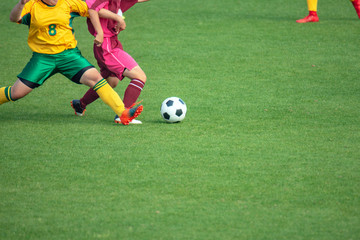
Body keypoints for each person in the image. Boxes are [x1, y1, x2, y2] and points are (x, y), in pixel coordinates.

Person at [0, 0, 142, 125]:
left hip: (69, 56)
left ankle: (122, 113)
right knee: (16, 93)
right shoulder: (32, 5)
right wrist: (21, 3)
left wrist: (116, 17)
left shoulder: (68, 2)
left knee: (96, 79)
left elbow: (94, 9)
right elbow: (14, 18)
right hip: (43, 59)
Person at [70, 0, 149, 124]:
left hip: (112, 43)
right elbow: (92, 10)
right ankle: (123, 114)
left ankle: (80, 104)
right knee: (140, 76)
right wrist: (108, 26)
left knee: (111, 82)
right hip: (106, 47)